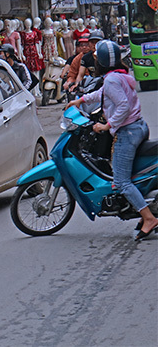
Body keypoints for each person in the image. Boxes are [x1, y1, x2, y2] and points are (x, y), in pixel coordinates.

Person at [65, 41, 156, 240]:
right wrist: (81, 100)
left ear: (103, 62)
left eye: (97, 59)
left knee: (121, 181)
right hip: (138, 127)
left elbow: (122, 105)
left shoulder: (111, 80)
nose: (94, 62)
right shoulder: (120, 76)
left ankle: (148, 218)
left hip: (127, 133)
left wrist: (107, 126)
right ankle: (143, 210)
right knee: (130, 175)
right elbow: (103, 95)